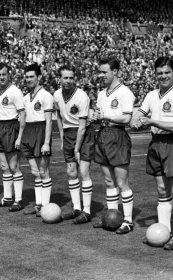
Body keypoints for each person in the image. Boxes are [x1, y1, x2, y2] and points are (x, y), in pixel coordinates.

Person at [130, 56, 173, 249]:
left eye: (167, 72)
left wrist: (153, 121)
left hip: (172, 143)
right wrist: (136, 119)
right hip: (156, 144)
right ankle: (165, 232)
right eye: (160, 73)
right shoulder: (151, 95)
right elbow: (139, 114)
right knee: (162, 189)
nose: (163, 76)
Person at [92, 57, 135, 234]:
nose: (101, 75)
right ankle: (111, 218)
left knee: (121, 182)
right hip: (102, 135)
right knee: (109, 181)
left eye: (104, 72)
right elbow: (100, 116)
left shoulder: (125, 92)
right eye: (100, 72)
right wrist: (96, 118)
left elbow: (127, 119)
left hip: (117, 136)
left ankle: (128, 221)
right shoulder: (101, 94)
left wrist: (107, 117)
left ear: (115, 71)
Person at [54, 65, 95, 224]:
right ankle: (76, 208)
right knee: (71, 171)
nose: (68, 81)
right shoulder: (56, 95)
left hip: (83, 134)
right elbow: (58, 116)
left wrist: (76, 149)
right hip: (68, 133)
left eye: (71, 78)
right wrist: (63, 138)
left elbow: (83, 127)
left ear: (75, 79)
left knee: (83, 170)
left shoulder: (82, 97)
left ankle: (87, 211)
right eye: (65, 78)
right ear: (60, 79)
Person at [0, 63, 25, 212]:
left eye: (4, 74)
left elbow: (22, 114)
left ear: (9, 74)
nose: (1, 77)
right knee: (4, 167)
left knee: (13, 166)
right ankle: (7, 197)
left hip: (12, 128)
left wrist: (19, 137)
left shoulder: (15, 92)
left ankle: (18, 200)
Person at [20, 63, 54, 217]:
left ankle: (45, 207)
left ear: (39, 77)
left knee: (43, 171)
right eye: (26, 77)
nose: (28, 80)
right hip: (28, 132)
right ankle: (38, 205)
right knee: (35, 172)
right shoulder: (25, 97)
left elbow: (49, 121)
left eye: (31, 77)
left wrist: (46, 142)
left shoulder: (46, 95)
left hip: (40, 132)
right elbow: (23, 120)